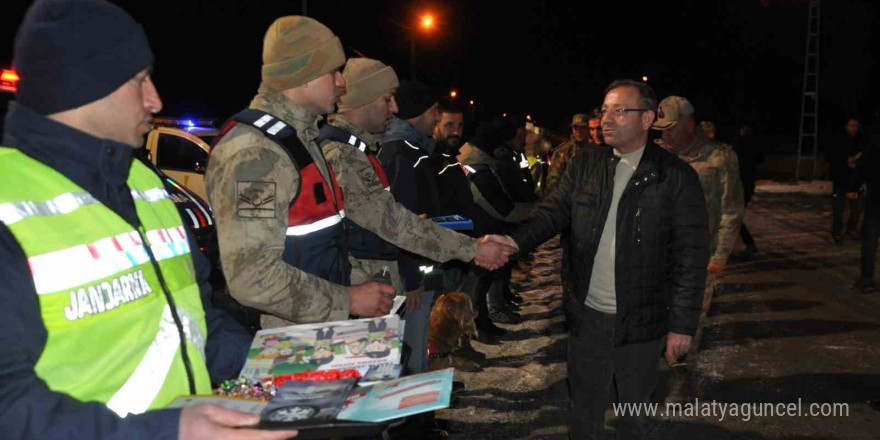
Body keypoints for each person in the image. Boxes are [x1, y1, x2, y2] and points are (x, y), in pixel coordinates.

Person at [0, 1, 297, 439]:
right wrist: (168, 431)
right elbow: (9, 406)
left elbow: (196, 322)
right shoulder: (10, 201)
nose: (154, 99)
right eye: (139, 80)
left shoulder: (142, 182)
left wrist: (286, 369)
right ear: (84, 84)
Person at [489, 80, 709, 439]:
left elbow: (691, 256)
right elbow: (551, 214)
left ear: (647, 119)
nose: (606, 118)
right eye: (604, 109)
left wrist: (682, 325)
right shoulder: (586, 165)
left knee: (632, 416)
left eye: (619, 110)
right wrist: (512, 241)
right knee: (584, 411)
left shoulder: (676, 177)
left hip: (642, 322)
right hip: (588, 317)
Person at [318, 61, 512, 376]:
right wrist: (474, 249)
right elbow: (393, 222)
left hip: (370, 283)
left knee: (391, 374)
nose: (394, 108)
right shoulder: (344, 154)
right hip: (362, 285)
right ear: (364, 100)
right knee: (379, 381)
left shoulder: (359, 150)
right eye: (387, 99)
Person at [207, 16, 395, 330]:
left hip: (314, 328)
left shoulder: (299, 141)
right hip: (282, 338)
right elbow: (253, 278)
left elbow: (320, 239)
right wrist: (347, 299)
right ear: (303, 75)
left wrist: (359, 282)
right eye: (333, 71)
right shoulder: (256, 155)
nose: (342, 83)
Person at [652, 96, 744, 354]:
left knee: (684, 330)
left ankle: (677, 379)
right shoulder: (654, 155)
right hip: (656, 255)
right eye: (661, 130)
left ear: (690, 123)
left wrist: (720, 256)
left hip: (699, 258)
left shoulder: (719, 157)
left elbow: (732, 209)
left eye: (671, 128)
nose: (665, 135)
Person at [828, 117, 865, 243]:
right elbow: (837, 160)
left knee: (857, 209)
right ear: (846, 126)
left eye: (856, 126)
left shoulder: (859, 140)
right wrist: (852, 159)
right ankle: (836, 233)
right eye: (852, 126)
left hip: (855, 182)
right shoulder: (839, 141)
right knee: (839, 209)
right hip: (841, 181)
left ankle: (851, 230)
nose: (854, 129)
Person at [545, 109, 602, 192]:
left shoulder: (596, 149)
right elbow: (552, 181)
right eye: (575, 127)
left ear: (588, 128)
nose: (578, 130)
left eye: (582, 127)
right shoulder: (563, 151)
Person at [733, 124, 764, 258]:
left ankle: (749, 245)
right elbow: (760, 159)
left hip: (739, 183)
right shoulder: (754, 145)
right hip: (748, 183)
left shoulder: (737, 145)